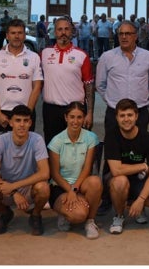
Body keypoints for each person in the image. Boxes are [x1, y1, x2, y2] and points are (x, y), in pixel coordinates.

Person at [0, 105, 51, 236]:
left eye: (25, 121)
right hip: (6, 189)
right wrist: (13, 192)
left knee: (44, 188)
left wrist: (15, 186)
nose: (22, 124)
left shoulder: (37, 140)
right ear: (11, 122)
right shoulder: (1, 140)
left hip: (27, 188)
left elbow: (45, 173)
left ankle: (35, 215)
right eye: (18, 120)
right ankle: (5, 213)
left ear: (30, 123)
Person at [104, 99, 149, 234]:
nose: (126, 119)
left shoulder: (148, 138)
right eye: (122, 115)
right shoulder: (111, 136)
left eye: (130, 115)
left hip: (138, 180)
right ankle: (119, 215)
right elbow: (116, 170)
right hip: (116, 179)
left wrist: (141, 200)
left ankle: (136, 205)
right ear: (116, 118)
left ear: (136, 116)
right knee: (120, 181)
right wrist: (142, 166)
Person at [48, 102, 102, 239]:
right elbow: (55, 173)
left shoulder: (91, 138)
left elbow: (87, 168)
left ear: (84, 118)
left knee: (95, 182)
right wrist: (69, 190)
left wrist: (74, 190)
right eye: (72, 117)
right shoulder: (56, 141)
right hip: (60, 185)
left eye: (79, 117)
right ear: (66, 117)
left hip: (80, 183)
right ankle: (64, 213)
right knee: (78, 215)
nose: (75, 121)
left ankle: (90, 222)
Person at [96, 20, 149, 134]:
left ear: (136, 36)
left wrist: (143, 98)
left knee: (139, 150)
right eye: (121, 34)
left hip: (140, 112)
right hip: (114, 113)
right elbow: (100, 84)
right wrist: (111, 100)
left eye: (128, 33)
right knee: (113, 149)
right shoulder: (107, 57)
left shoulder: (148, 57)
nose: (124, 37)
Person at [40, 16, 95, 146]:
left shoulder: (82, 55)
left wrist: (90, 113)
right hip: (50, 110)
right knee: (52, 146)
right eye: (59, 29)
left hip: (75, 110)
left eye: (66, 29)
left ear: (72, 32)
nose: (63, 32)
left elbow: (89, 85)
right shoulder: (44, 53)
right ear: (54, 32)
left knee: (76, 147)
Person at [0, 18, 42, 135]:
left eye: (20, 33)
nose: (17, 36)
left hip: (25, 112)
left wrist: (27, 114)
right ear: (7, 35)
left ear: (25, 35)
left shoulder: (34, 57)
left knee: (25, 152)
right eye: (13, 33)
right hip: (2, 112)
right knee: (0, 152)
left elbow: (37, 87)